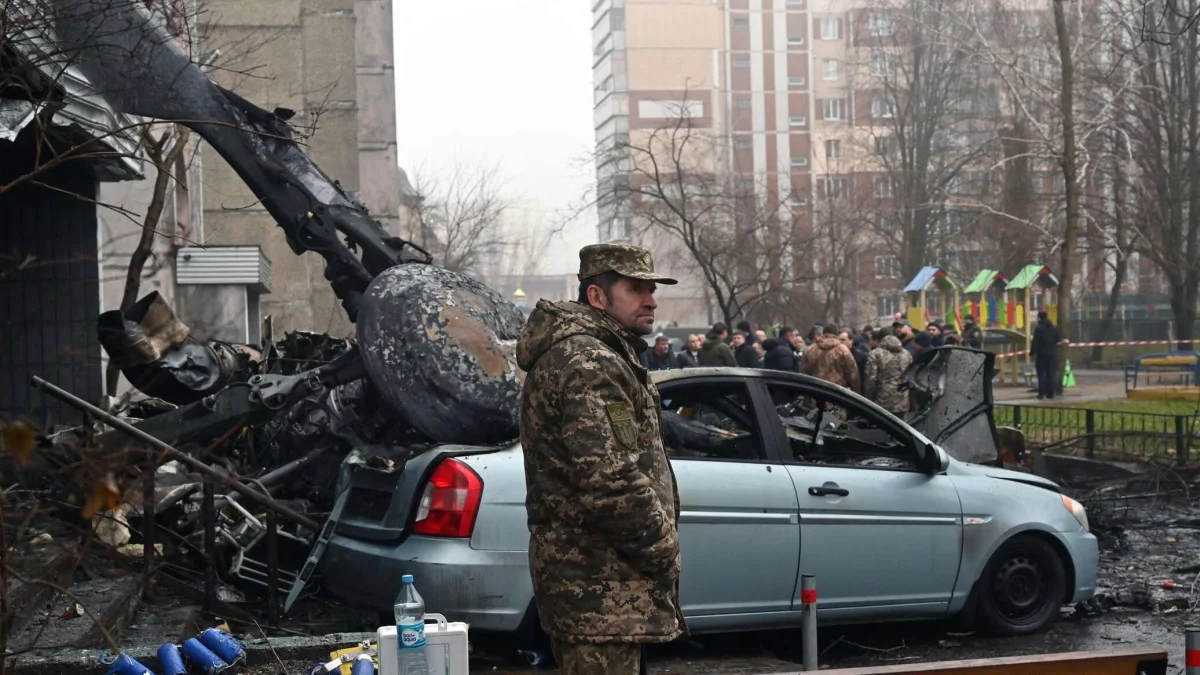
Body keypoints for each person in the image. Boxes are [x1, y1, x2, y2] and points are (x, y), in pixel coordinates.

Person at [516, 243, 686, 673]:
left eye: (651, 288)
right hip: (599, 591)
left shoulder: (598, 355)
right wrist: (664, 549)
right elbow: (611, 479)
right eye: (636, 289)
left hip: (606, 592)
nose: (651, 299)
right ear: (597, 296)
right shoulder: (588, 362)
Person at [864, 327, 912, 416]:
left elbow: (871, 380)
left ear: (879, 338)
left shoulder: (875, 354)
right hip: (903, 401)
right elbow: (911, 378)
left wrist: (867, 400)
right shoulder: (907, 354)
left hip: (882, 401)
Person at [802, 324, 861, 392]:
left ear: (823, 333)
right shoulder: (844, 350)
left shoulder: (810, 350)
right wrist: (856, 393)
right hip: (837, 395)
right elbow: (853, 375)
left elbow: (804, 373)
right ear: (836, 334)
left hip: (815, 393)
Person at [1031, 310, 1061, 400]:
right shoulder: (1054, 328)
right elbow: (1057, 339)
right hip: (1052, 354)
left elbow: (1035, 342)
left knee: (1042, 374)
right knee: (1051, 373)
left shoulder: (1038, 328)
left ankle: (1041, 393)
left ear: (1039, 317)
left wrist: (1032, 352)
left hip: (1041, 354)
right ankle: (1051, 393)